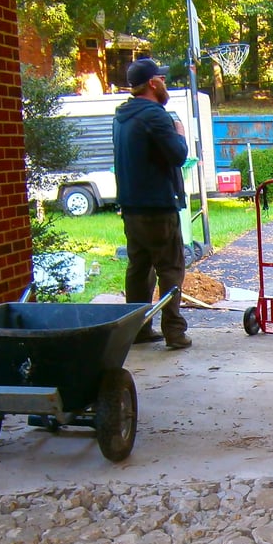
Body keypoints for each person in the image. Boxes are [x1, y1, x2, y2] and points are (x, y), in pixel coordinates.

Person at [113, 57, 191, 349]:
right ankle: (174, 331)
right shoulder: (156, 115)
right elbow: (177, 155)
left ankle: (137, 329)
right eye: (162, 78)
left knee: (138, 268)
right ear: (152, 83)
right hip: (158, 207)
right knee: (170, 267)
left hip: (131, 208)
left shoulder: (121, 116)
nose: (165, 83)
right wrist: (180, 134)